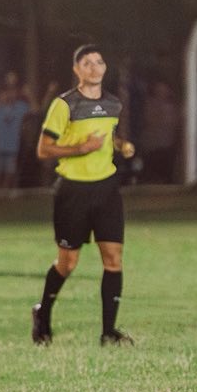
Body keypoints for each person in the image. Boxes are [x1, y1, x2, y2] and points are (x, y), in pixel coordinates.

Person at [32, 44, 137, 346]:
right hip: (72, 191)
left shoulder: (114, 104)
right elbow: (43, 149)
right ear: (77, 70)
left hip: (106, 189)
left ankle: (108, 332)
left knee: (113, 258)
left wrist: (121, 146)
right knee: (68, 262)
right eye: (87, 63)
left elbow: (109, 137)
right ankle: (43, 314)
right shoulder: (64, 105)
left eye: (99, 62)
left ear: (105, 68)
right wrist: (80, 149)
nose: (94, 67)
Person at [0, 73, 32, 191]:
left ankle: (4, 203)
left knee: (9, 178)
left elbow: (36, 109)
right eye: (8, 90)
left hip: (12, 147)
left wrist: (29, 95)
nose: (11, 94)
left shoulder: (21, 107)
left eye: (13, 91)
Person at [140, 81, 182, 184]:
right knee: (153, 163)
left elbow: (176, 121)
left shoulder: (171, 105)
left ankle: (167, 180)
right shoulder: (150, 104)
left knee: (166, 164)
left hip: (168, 142)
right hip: (153, 143)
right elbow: (147, 120)